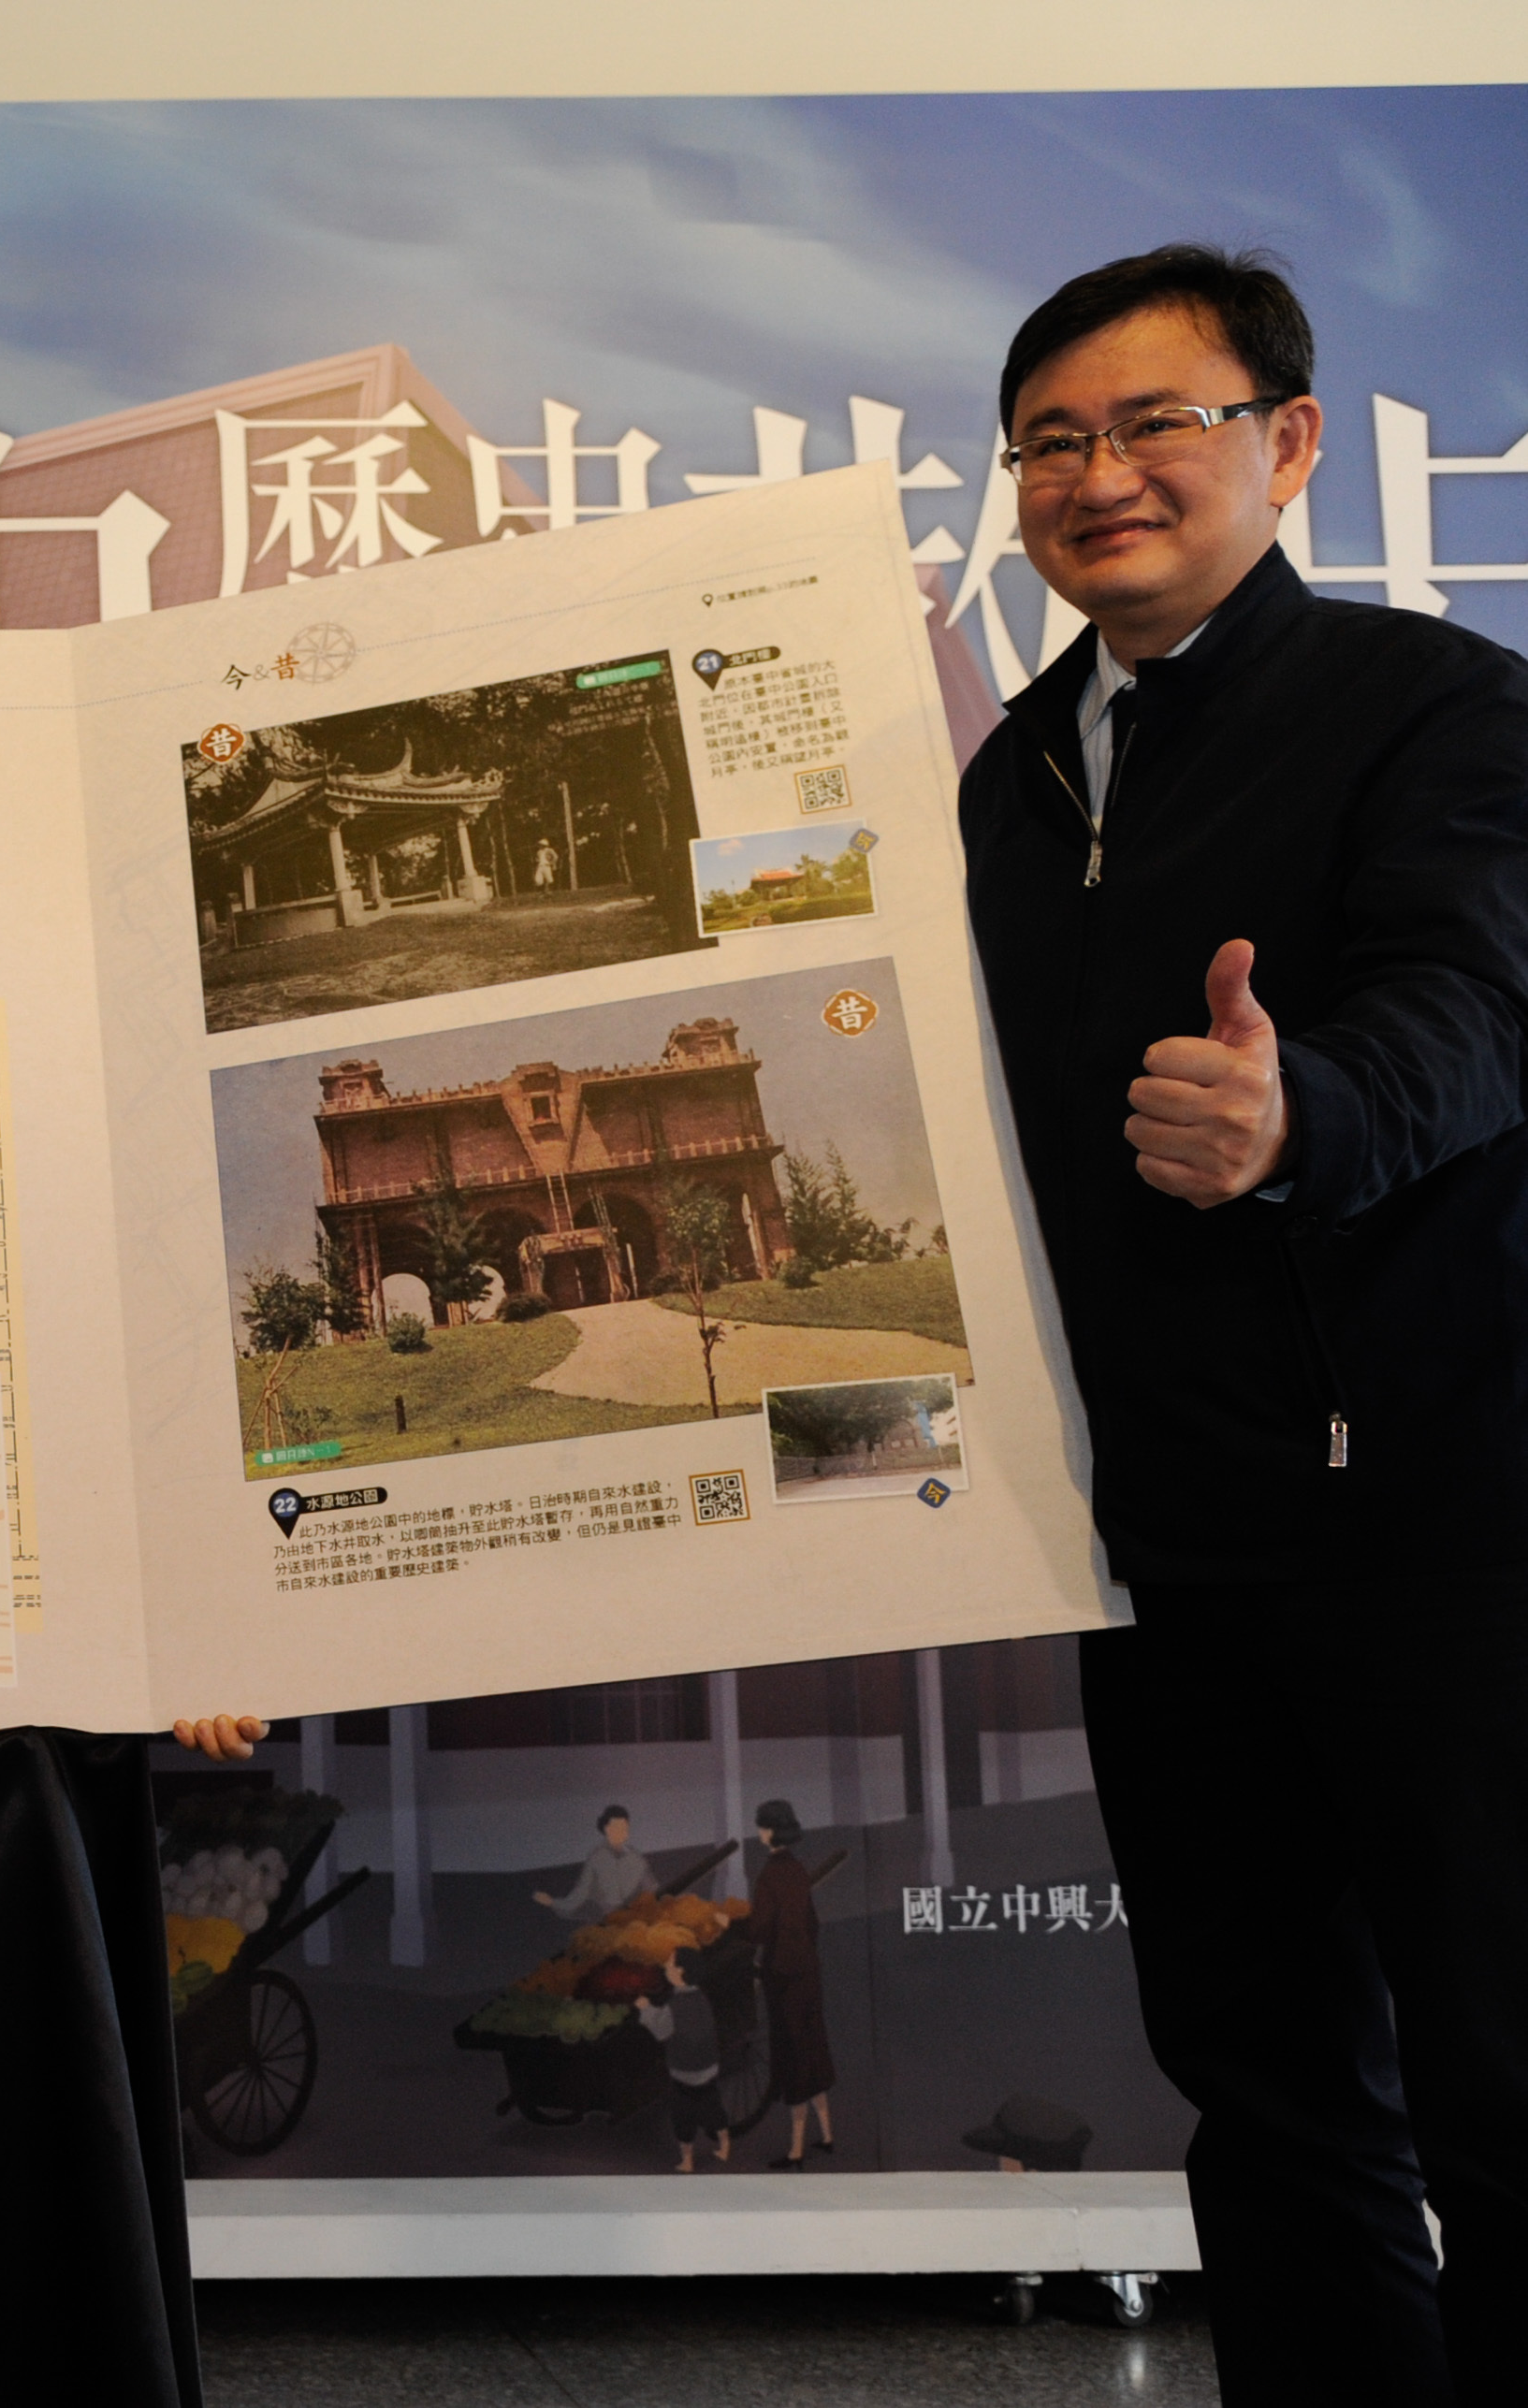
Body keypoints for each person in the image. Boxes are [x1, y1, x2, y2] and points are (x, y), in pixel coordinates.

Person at [959, 243, 1528, 2401]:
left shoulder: (1431, 707)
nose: (1097, 472)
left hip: (1431, 1511)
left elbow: (1477, 1016)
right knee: (1264, 2088)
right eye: (1048, 440)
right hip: (1169, 1536)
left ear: (1282, 442)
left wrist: (1300, 1110)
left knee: (1496, 2070)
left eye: (1151, 423)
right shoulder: (1010, 776)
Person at [748, 1799, 836, 2168]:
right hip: (807, 1969)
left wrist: (730, 1925)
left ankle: (796, 2149)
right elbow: (812, 1923)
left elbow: (760, 1928)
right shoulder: (798, 1870)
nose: (758, 1832)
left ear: (769, 1831)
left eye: (761, 1826)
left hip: (782, 1975)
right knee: (813, 2045)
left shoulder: (769, 1875)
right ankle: (828, 2134)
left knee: (792, 2054)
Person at [634, 1947, 728, 2173]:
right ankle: (725, 2146)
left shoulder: (673, 2005)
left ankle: (687, 2160)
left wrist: (646, 2009)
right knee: (713, 2109)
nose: (666, 1967)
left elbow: (661, 2031)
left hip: (683, 2072)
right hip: (708, 2067)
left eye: (669, 1964)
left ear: (681, 1972)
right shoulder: (701, 1998)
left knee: (683, 2117)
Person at [532, 1803, 650, 1922]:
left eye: (624, 1828)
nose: (622, 1833)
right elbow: (578, 1895)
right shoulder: (597, 1859)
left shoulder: (636, 1859)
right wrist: (552, 1902)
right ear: (607, 1829)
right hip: (607, 1921)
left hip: (635, 1919)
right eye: (616, 1828)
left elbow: (652, 1888)